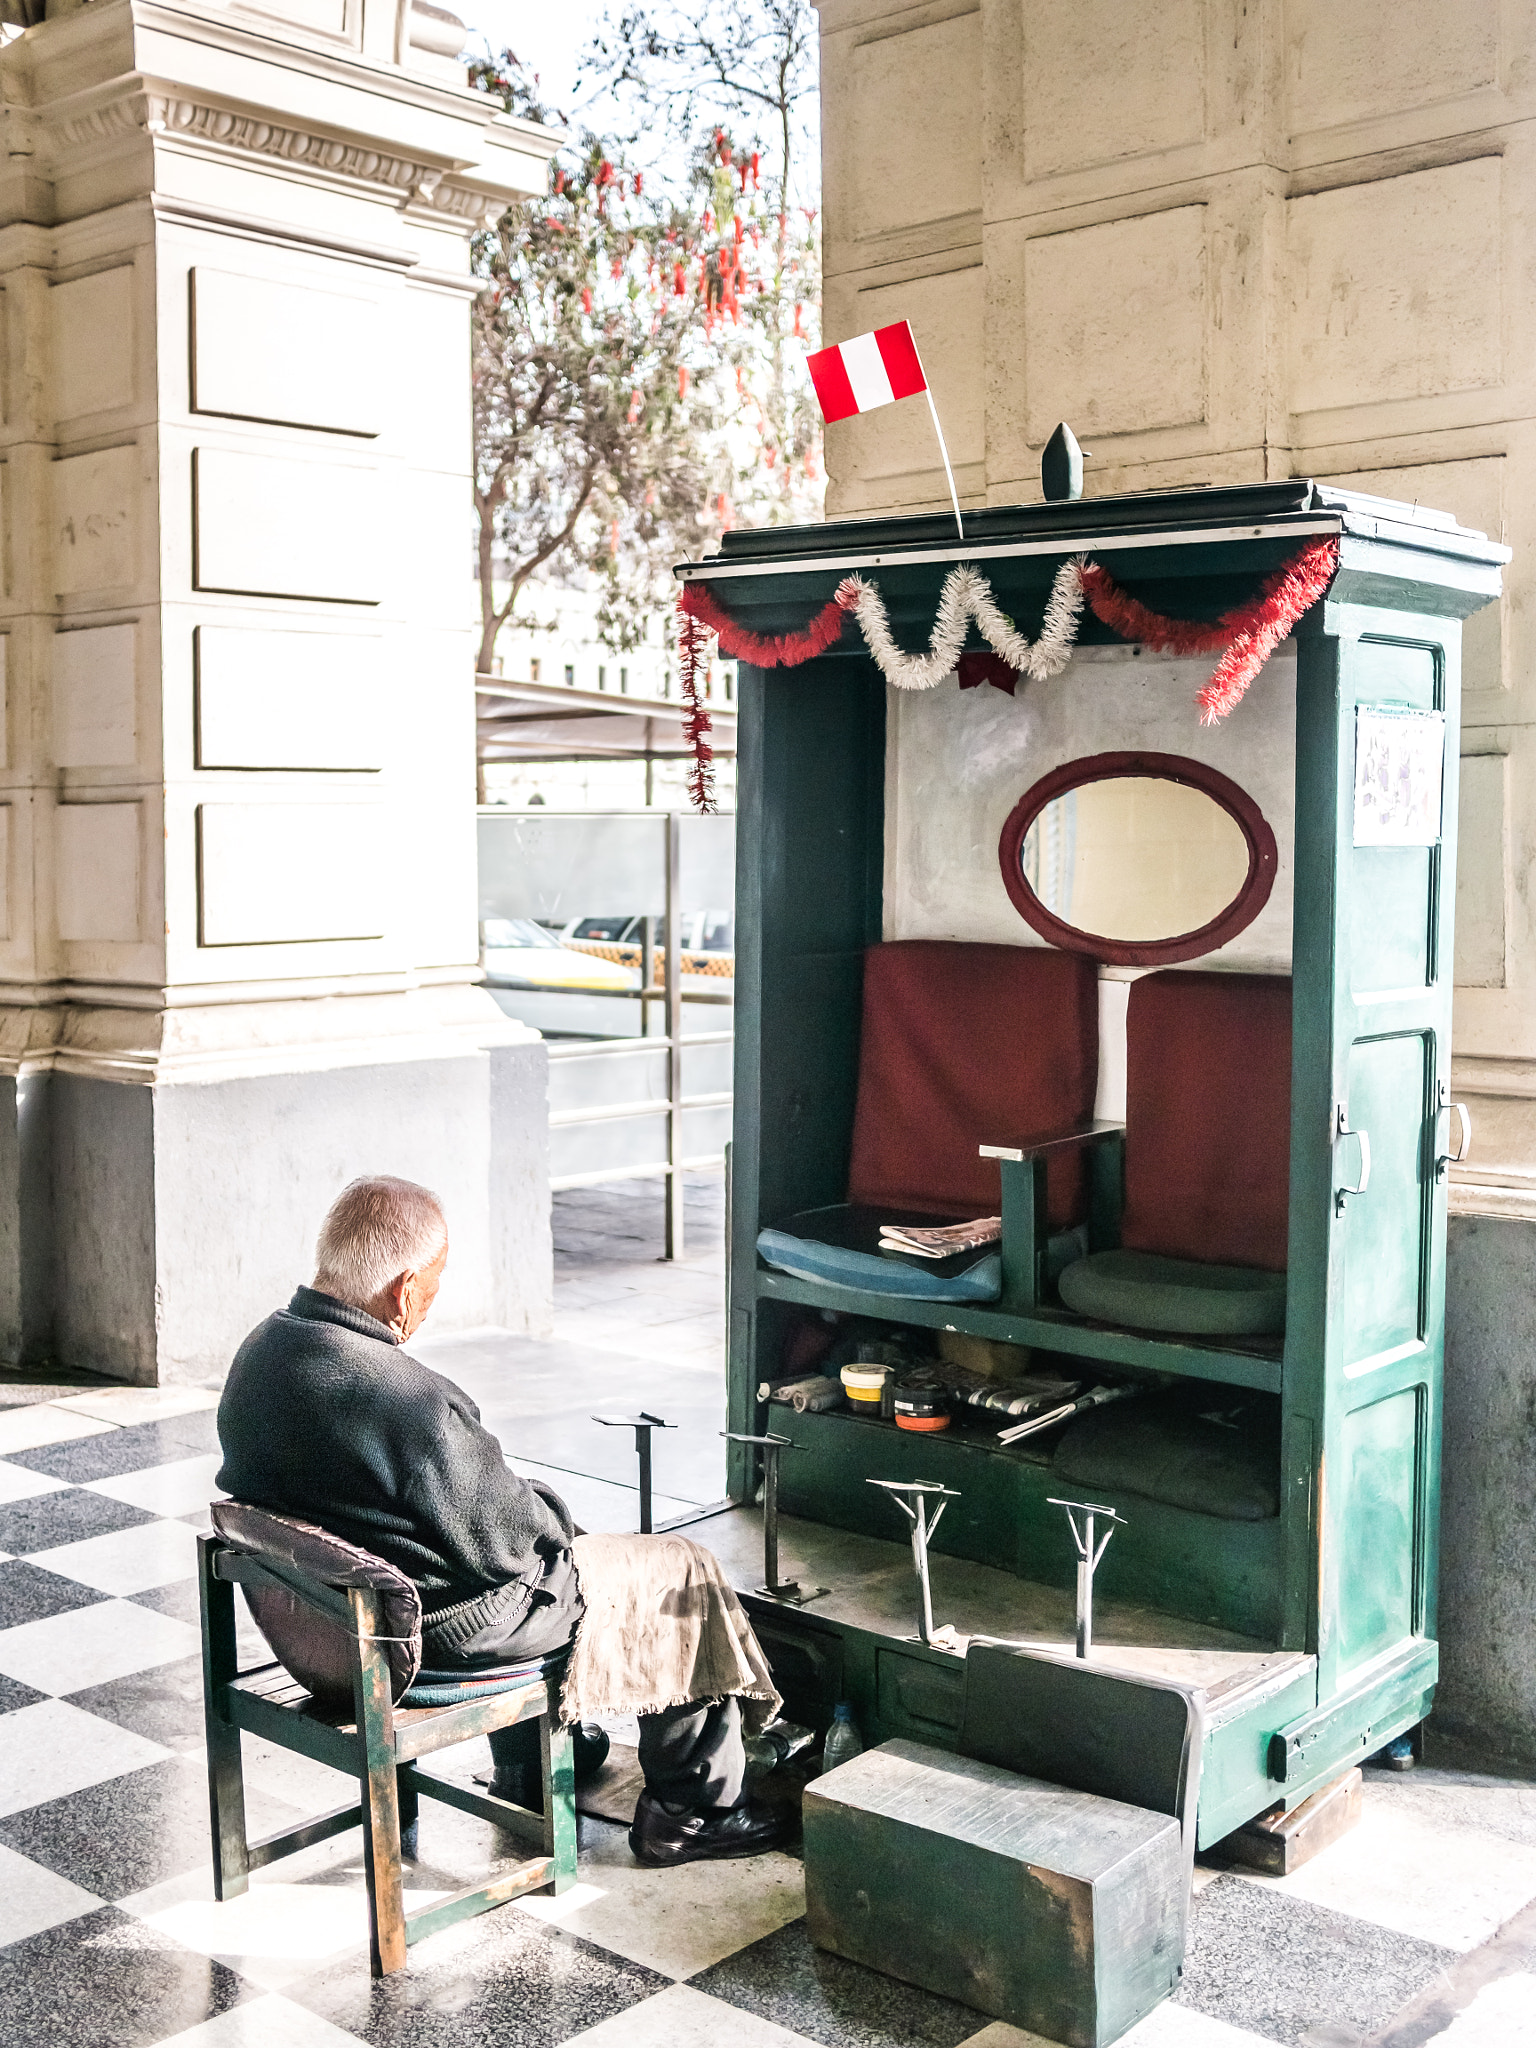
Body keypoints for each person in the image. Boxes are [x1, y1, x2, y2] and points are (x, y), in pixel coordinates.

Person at [216, 1175, 790, 1868]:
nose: (431, 1300)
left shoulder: (261, 1353)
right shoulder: (408, 1402)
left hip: (327, 1628)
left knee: (482, 1560)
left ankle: (532, 1771)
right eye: (434, 1282)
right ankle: (696, 1809)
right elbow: (513, 1546)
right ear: (404, 1288)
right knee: (671, 1568)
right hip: (424, 1643)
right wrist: (551, 1510)